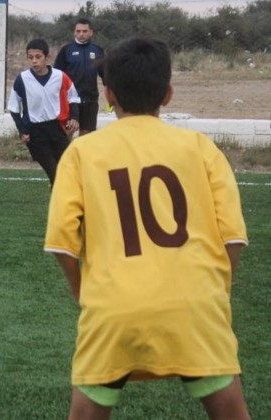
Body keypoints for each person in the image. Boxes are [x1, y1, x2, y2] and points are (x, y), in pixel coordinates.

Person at [44, 37, 250, 419]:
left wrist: (86, 297)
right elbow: (233, 239)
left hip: (113, 310)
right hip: (198, 309)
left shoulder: (82, 153)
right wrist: (212, 295)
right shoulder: (201, 147)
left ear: (108, 94)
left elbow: (61, 245)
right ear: (168, 94)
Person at [7, 38, 80, 185]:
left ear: (47, 57)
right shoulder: (22, 79)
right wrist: (22, 130)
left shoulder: (60, 76)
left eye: (38, 57)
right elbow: (14, 108)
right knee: (55, 175)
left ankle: (62, 206)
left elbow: (74, 97)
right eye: (30, 57)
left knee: (67, 172)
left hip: (57, 130)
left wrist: (74, 117)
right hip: (36, 133)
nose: (34, 61)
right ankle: (59, 207)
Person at [53, 18, 105, 137]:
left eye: (85, 31)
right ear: (74, 32)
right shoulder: (66, 50)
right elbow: (56, 76)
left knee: (87, 136)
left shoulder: (98, 50)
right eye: (78, 31)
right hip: (70, 100)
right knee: (67, 133)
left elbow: (105, 74)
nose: (81, 34)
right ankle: (65, 155)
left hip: (90, 100)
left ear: (91, 32)